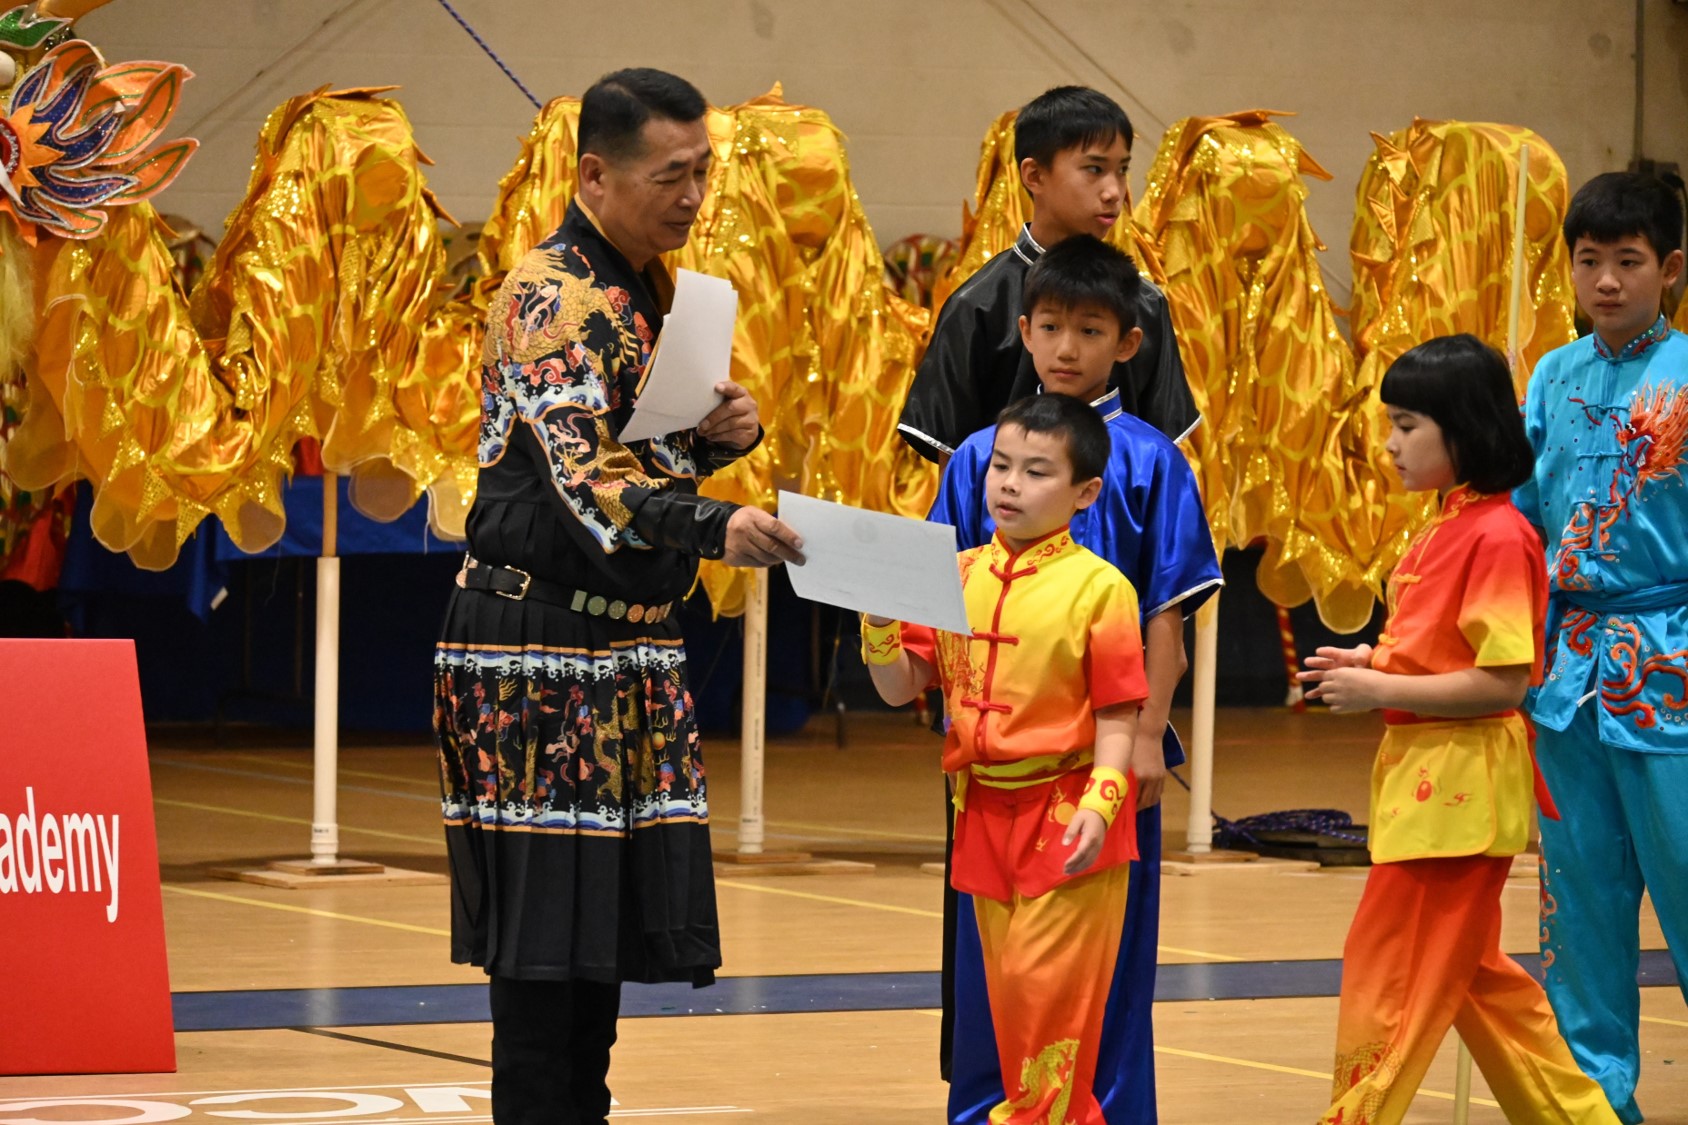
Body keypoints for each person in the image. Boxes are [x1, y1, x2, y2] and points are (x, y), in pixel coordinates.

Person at [431, 68, 805, 1125]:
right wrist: (715, 523)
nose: (692, 197)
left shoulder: (657, 290)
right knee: (544, 968)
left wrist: (713, 438)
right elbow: (590, 483)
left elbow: (639, 452)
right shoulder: (550, 295)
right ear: (593, 176)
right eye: (669, 176)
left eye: (702, 173)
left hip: (624, 648)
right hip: (535, 650)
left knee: (593, 957)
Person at [928, 236, 1220, 1124]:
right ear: (1024, 329)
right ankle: (989, 1107)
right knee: (990, 970)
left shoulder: (1152, 460)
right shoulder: (979, 454)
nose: (1066, 348)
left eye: (1090, 330)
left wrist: (1142, 740)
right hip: (991, 771)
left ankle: (1103, 1110)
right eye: (1050, 326)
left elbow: (1165, 615)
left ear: (1127, 343)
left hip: (1100, 759)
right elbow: (939, 598)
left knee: (1103, 967)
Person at [1299, 335, 1618, 1125]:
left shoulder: (1498, 534)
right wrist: (1377, 658)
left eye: (1408, 425)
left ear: (1464, 427)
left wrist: (1378, 684)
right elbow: (1446, 650)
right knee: (1482, 987)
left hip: (1457, 792)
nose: (1390, 443)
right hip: (1432, 786)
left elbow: (1504, 681)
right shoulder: (1452, 522)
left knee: (1390, 980)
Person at [864, 392, 1148, 1125]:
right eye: (1001, 466)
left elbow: (1119, 714)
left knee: (1048, 1007)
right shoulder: (955, 574)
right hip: (981, 812)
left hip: (1068, 810)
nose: (1010, 485)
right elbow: (899, 688)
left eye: (1037, 471)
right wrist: (878, 622)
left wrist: (1102, 804)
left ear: (1086, 492)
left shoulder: (1102, 588)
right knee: (1013, 1010)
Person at [1512, 170, 1688, 1125]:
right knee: (1577, 904)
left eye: (1628, 261)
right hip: (1565, 673)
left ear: (1671, 268)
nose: (1608, 281)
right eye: (1589, 262)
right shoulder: (1550, 375)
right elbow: (1522, 518)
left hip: (1674, 663)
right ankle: (1595, 1101)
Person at [896, 85, 1199, 465]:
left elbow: (1165, 461)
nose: (1114, 192)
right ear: (1035, 175)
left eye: (1121, 170)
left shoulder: (1145, 304)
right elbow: (956, 474)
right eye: (1094, 169)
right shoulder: (976, 306)